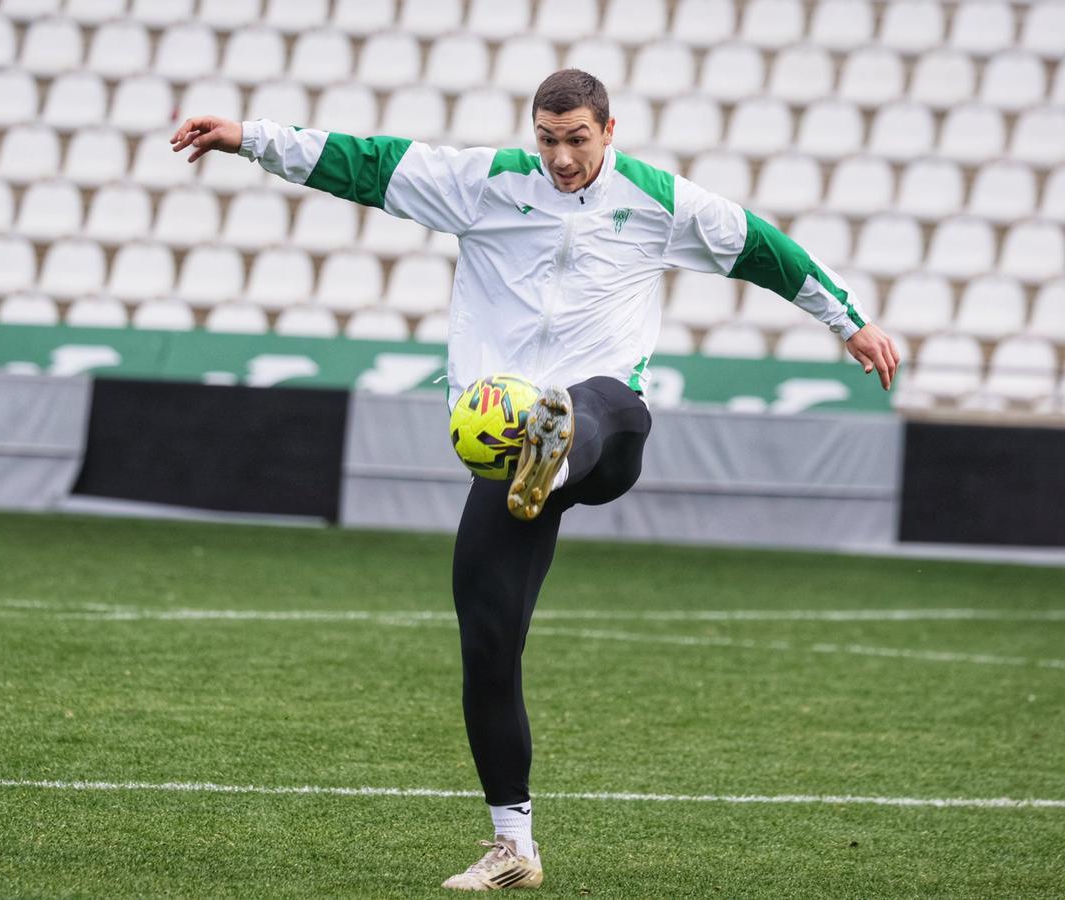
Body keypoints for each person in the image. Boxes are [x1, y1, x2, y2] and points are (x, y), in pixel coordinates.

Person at [171, 69, 900, 891]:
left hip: (606, 425)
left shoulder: (659, 201)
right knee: (487, 646)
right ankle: (513, 847)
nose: (560, 156)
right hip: (506, 447)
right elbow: (364, 163)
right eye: (547, 138)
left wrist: (850, 321)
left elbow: (765, 250)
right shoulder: (484, 185)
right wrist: (246, 137)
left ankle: (556, 436)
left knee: (596, 409)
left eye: (577, 139)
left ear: (609, 130)